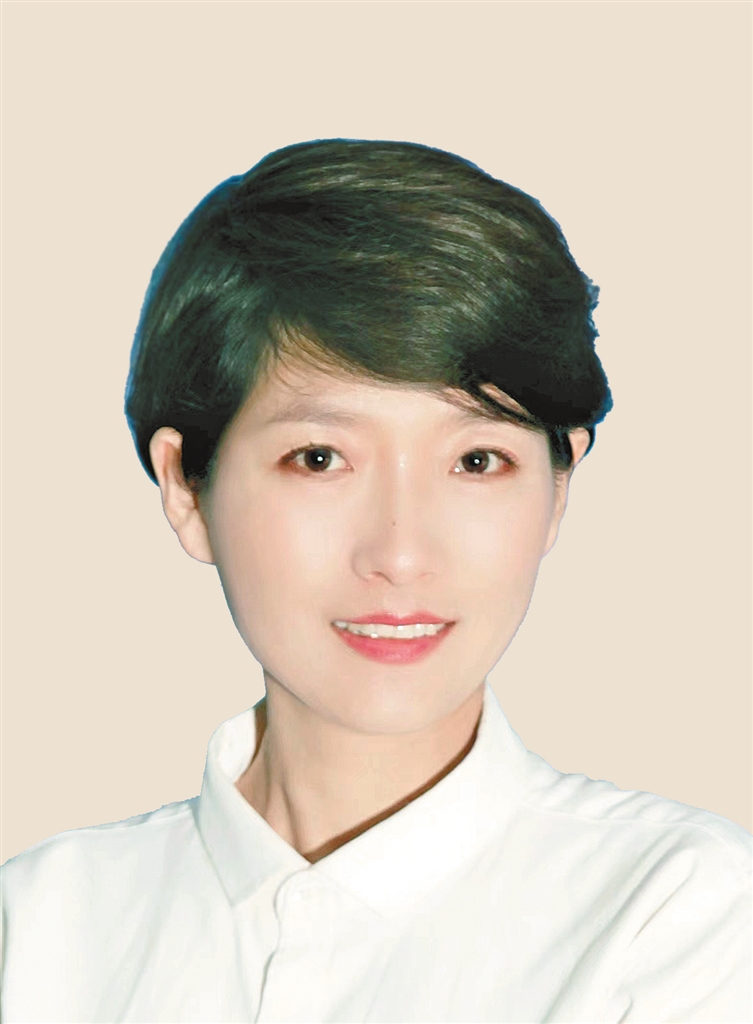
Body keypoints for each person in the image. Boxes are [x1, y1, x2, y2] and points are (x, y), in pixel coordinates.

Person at [1, 140, 750, 1023]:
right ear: (186, 488)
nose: (400, 553)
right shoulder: (39, 926)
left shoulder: (678, 916)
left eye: (477, 460)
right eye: (319, 458)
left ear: (557, 490)